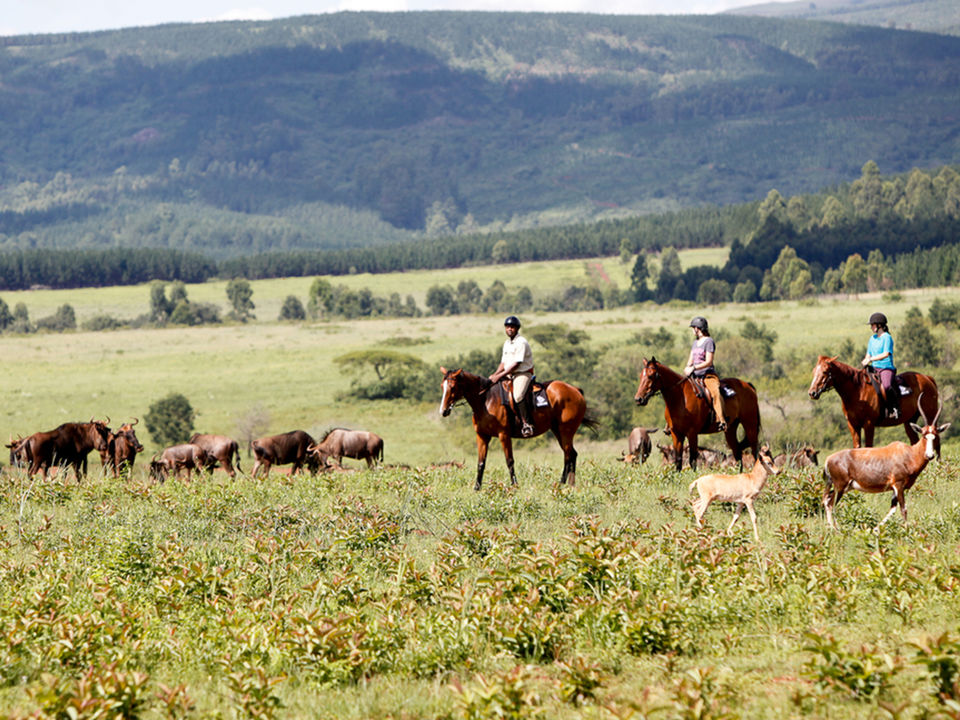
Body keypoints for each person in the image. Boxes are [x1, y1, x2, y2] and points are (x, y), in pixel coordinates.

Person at [490, 315, 536, 437]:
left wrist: (500, 375)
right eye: (507, 327)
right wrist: (495, 375)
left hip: (522, 373)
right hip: (509, 374)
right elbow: (503, 363)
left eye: (512, 327)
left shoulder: (521, 342)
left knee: (518, 395)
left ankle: (527, 424)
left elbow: (516, 363)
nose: (510, 329)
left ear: (517, 329)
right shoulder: (506, 343)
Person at [683, 316, 727, 431]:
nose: (693, 330)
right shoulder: (695, 343)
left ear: (698, 329)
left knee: (715, 393)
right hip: (694, 376)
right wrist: (687, 368)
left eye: (693, 328)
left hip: (708, 375)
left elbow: (708, 361)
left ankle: (721, 420)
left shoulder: (709, 341)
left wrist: (694, 367)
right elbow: (690, 360)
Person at [862, 311, 899, 419]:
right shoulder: (872, 338)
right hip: (873, 367)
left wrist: (871, 359)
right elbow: (868, 353)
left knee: (886, 386)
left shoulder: (887, 337)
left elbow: (886, 354)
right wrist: (865, 359)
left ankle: (894, 407)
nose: (871, 327)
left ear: (879, 325)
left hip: (885, 368)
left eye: (872, 325)